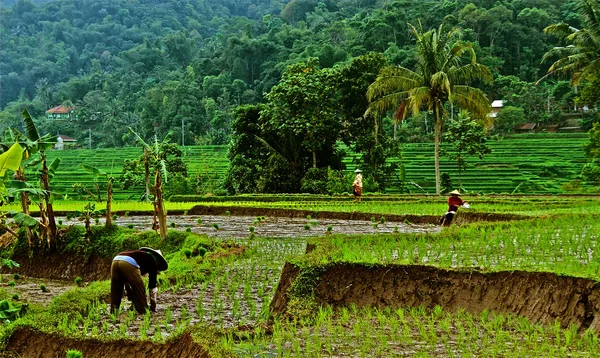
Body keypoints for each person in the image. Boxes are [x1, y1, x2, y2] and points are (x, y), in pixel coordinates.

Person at [110, 247, 168, 314]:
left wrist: (130, 294)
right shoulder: (152, 261)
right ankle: (143, 310)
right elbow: (152, 286)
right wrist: (153, 305)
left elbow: (128, 281)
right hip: (128, 262)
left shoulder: (140, 257)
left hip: (115, 260)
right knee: (139, 288)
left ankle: (113, 311)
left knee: (116, 288)